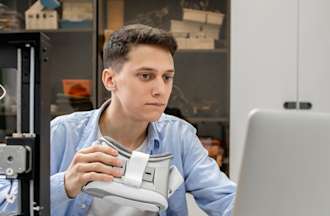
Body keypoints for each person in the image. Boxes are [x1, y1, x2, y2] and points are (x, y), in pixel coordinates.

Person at [0, 24, 236, 216]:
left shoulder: (179, 136)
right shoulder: (63, 133)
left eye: (167, 77)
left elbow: (226, 199)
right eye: (146, 76)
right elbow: (4, 202)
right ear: (110, 80)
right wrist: (66, 184)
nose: (160, 90)